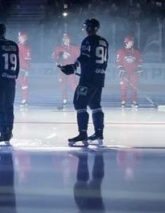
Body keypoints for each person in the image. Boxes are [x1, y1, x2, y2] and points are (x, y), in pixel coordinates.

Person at [59, 19, 109, 147]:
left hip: (88, 79)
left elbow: (84, 57)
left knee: (79, 103)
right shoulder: (104, 41)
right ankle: (99, 133)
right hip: (99, 77)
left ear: (88, 28)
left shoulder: (88, 40)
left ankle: (83, 133)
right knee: (95, 104)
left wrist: (73, 66)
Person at [53, 34, 80, 109]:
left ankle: (78, 99)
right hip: (62, 69)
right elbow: (54, 58)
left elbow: (79, 58)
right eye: (64, 38)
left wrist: (76, 65)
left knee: (73, 84)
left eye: (67, 38)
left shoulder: (74, 48)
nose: (66, 40)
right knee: (63, 85)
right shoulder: (58, 48)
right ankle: (64, 99)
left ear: (69, 39)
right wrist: (60, 57)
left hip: (71, 69)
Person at [116, 35, 143, 109]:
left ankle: (134, 102)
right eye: (130, 42)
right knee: (123, 87)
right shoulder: (121, 51)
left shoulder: (136, 52)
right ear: (126, 42)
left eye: (132, 41)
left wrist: (139, 68)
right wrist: (121, 69)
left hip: (133, 72)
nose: (132, 43)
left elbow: (139, 61)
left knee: (134, 87)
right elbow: (118, 62)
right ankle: (123, 102)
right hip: (124, 72)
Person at [17, 31, 32, 106]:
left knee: (24, 84)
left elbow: (28, 59)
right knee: (14, 84)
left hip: (23, 69)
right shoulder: (17, 46)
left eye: (20, 37)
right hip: (16, 69)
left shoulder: (27, 47)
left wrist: (26, 69)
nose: (19, 38)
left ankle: (24, 99)